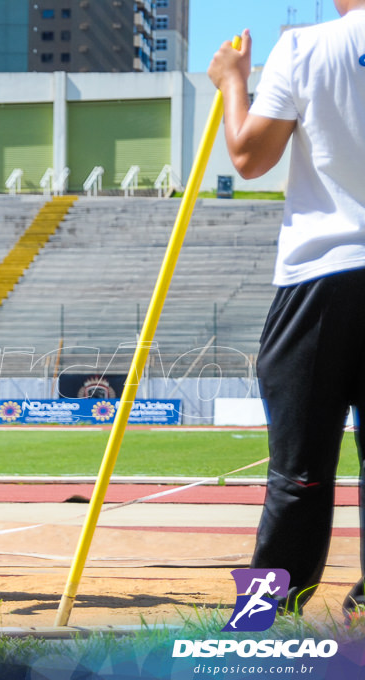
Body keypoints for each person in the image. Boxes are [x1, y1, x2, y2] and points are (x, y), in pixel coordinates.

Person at [208, 2, 365, 619]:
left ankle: (263, 616)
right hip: (327, 270)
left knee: (299, 465)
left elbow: (249, 157)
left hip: (323, 271)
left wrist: (230, 80)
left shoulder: (304, 47)